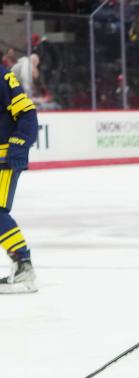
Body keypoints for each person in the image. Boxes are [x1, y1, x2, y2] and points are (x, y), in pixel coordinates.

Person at [0, 62, 39, 294]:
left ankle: (23, 264)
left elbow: (27, 113)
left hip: (3, 159)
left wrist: (20, 143)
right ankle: (22, 264)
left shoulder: (2, 77)